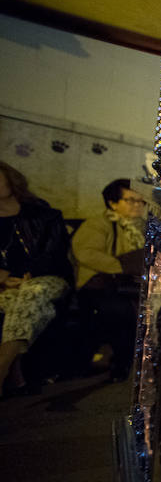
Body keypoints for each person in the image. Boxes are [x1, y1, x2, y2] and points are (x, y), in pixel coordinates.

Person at [0, 161, 72, 394]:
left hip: (47, 278)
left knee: (32, 293)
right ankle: (16, 375)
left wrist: (26, 275)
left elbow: (55, 252)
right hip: (7, 284)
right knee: (15, 302)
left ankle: (2, 366)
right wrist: (4, 277)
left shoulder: (42, 213)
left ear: (10, 179)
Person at [72, 179, 146, 382]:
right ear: (113, 203)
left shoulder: (145, 228)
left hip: (130, 284)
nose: (138, 205)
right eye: (131, 200)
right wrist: (122, 267)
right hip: (102, 284)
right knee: (120, 311)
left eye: (141, 201)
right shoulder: (98, 224)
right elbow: (85, 252)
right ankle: (120, 363)